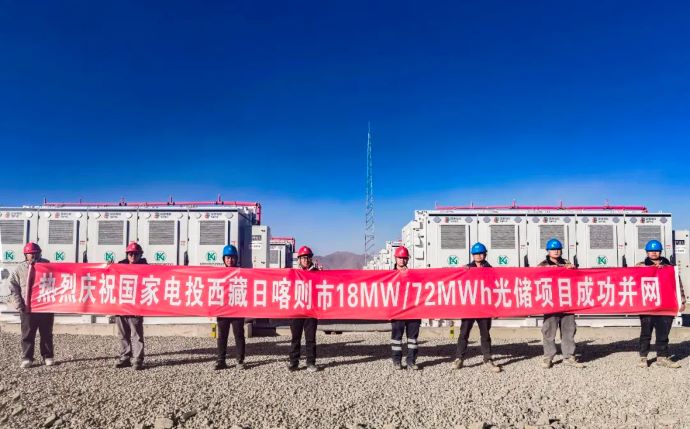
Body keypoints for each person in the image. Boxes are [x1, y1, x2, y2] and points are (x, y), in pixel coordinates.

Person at [636, 240, 686, 368]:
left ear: (660, 252)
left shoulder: (670, 267)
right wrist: (644, 270)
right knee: (646, 333)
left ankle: (662, 357)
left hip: (666, 305)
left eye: (656, 250)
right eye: (651, 251)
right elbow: (632, 281)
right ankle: (643, 357)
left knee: (663, 333)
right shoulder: (640, 266)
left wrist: (682, 301)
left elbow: (678, 285)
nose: (654, 253)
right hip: (648, 305)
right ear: (647, 252)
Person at [452, 242, 501, 373]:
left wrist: (495, 308)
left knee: (485, 334)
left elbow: (495, 288)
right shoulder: (467, 268)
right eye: (476, 254)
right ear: (472, 255)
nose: (478, 256)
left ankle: (487, 359)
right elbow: (459, 284)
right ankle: (459, 358)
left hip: (484, 307)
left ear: (485, 254)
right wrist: (461, 271)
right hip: (470, 306)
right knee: (464, 333)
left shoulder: (491, 270)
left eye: (481, 253)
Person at [538, 238, 583, 369]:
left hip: (567, 303)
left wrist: (573, 269)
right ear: (548, 251)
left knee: (569, 330)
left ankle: (569, 356)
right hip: (551, 303)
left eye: (558, 249)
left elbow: (577, 278)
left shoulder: (567, 263)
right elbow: (536, 277)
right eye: (553, 249)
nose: (556, 251)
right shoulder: (542, 265)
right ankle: (548, 357)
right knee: (549, 331)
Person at [9, 242, 54, 368]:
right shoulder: (19, 269)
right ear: (25, 255)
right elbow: (13, 287)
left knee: (46, 333)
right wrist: (19, 304)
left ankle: (48, 356)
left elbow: (59, 279)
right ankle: (27, 358)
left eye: (36, 253)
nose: (33, 256)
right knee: (27, 334)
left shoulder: (48, 265)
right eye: (30, 254)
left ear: (40, 253)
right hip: (27, 307)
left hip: (45, 306)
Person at [114, 242, 148, 370]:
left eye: (136, 254)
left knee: (136, 334)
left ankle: (138, 359)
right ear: (127, 255)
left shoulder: (146, 269)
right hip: (121, 305)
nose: (133, 256)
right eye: (130, 253)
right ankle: (125, 357)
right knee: (122, 334)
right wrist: (108, 267)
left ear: (140, 255)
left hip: (136, 306)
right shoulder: (119, 266)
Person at [288, 246, 320, 372]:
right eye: (303, 258)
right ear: (299, 260)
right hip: (297, 310)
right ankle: (294, 362)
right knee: (295, 338)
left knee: (310, 339)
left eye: (307, 257)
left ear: (311, 259)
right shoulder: (294, 273)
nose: (305, 260)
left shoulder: (317, 273)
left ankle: (311, 362)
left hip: (311, 311)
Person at [390, 246, 422, 370]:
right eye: (400, 258)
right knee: (396, 338)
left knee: (412, 338)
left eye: (404, 258)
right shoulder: (389, 275)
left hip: (413, 310)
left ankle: (411, 361)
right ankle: (396, 361)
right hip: (397, 311)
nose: (402, 260)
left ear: (407, 259)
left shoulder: (413, 275)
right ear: (395, 258)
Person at [215, 244, 246, 370]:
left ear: (236, 258)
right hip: (223, 309)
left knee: (239, 335)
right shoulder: (219, 274)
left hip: (237, 309)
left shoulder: (242, 273)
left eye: (232, 257)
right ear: (224, 259)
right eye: (227, 257)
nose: (230, 260)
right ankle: (221, 360)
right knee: (222, 336)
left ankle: (240, 360)